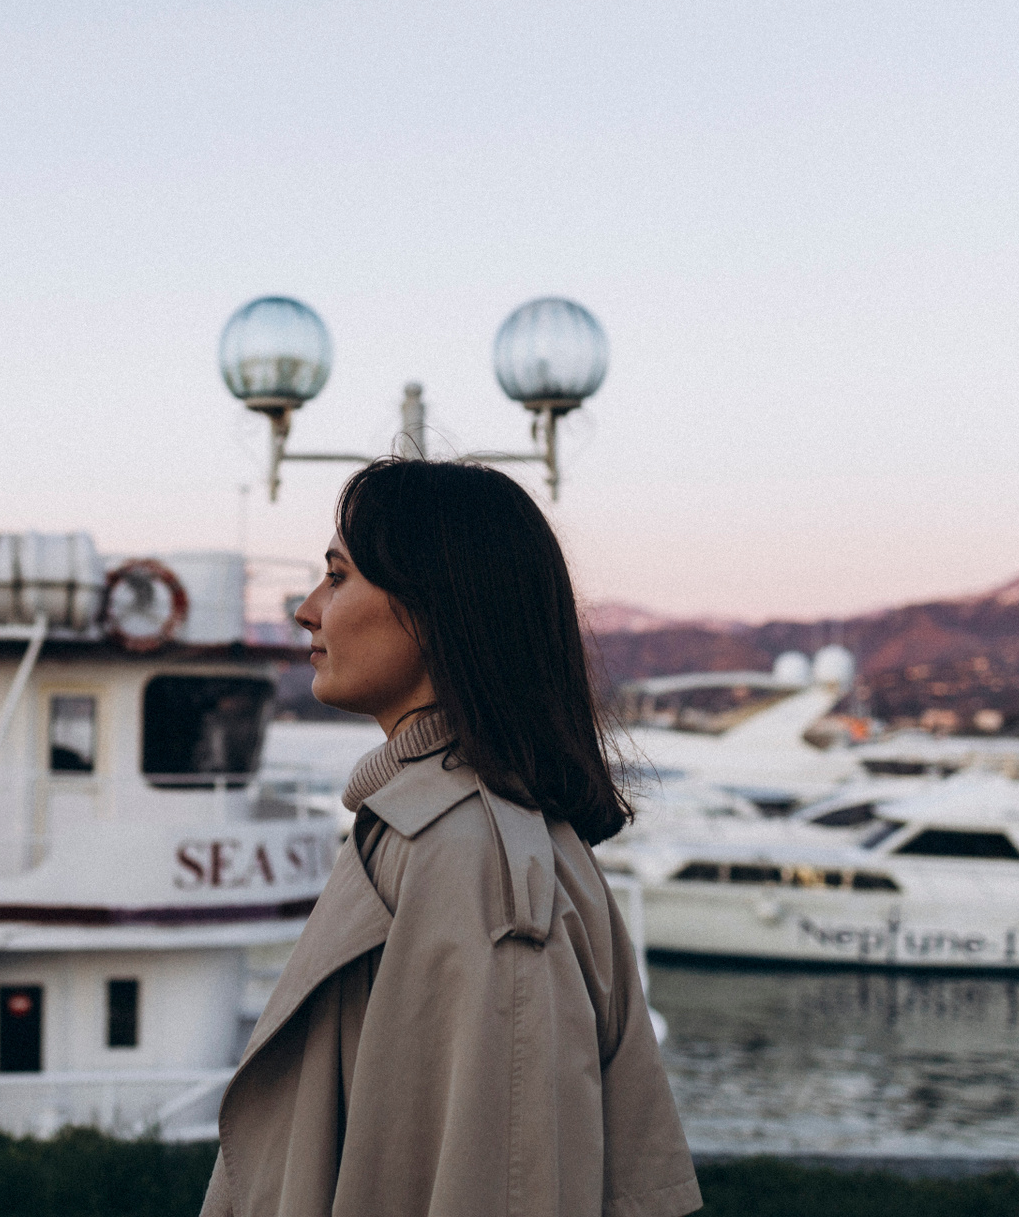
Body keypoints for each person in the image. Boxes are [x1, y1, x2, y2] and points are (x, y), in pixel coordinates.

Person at [200, 459, 700, 1217]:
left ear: (434, 611)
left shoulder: (471, 853)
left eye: (337, 577)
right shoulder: (437, 827)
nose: (306, 610)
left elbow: (508, 1181)